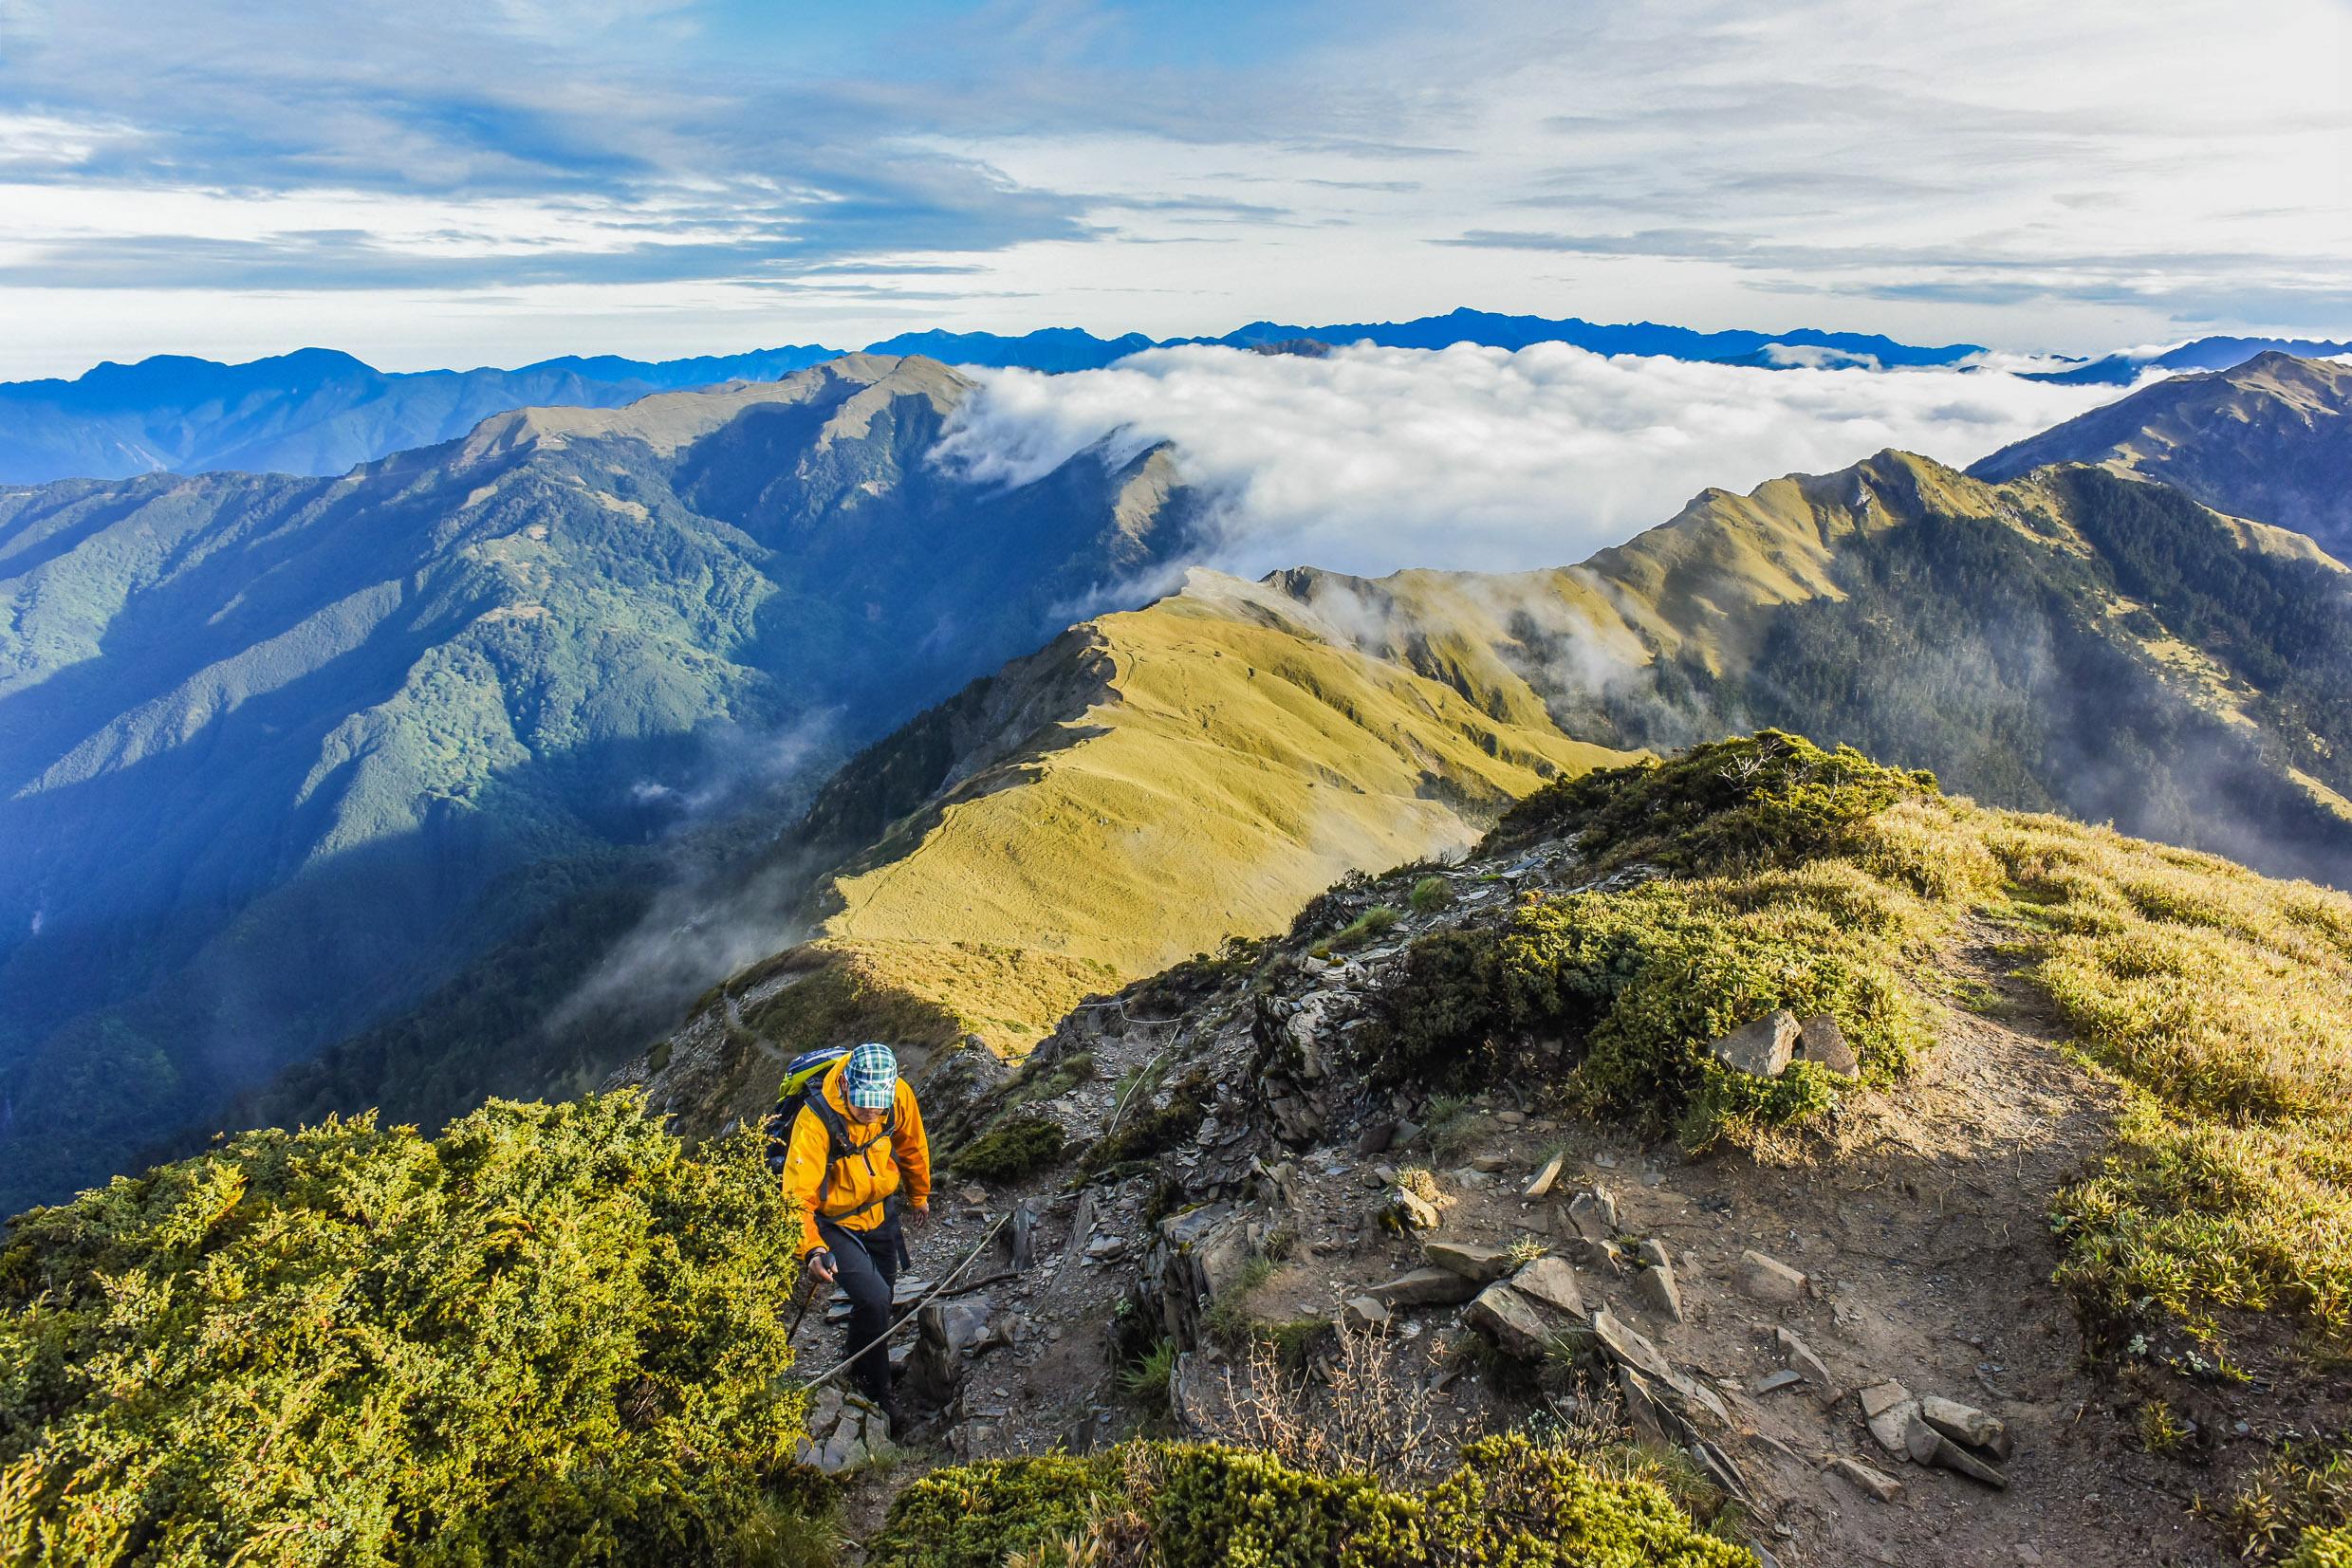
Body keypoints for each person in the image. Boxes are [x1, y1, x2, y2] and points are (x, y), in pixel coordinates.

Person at [778, 1042, 930, 1428]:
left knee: (882, 1295)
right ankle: (877, 1391)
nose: (870, 1113)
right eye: (863, 1103)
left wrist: (919, 1194)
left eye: (877, 1105)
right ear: (845, 1083)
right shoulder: (816, 1120)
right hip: (833, 1224)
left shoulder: (898, 1097)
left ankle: (860, 1357)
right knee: (877, 1297)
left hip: (880, 1211)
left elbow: (912, 1145)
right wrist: (812, 1248)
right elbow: (797, 1194)